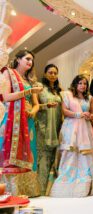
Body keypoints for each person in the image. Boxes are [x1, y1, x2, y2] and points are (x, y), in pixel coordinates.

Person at [50, 74, 93, 197]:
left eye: (85, 84)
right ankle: (66, 182)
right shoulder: (68, 95)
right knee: (70, 153)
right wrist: (78, 115)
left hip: (85, 128)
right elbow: (65, 111)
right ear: (75, 84)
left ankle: (83, 185)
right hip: (71, 127)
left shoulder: (89, 97)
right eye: (80, 83)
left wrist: (89, 115)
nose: (83, 86)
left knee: (85, 155)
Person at [0, 50, 42, 197]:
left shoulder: (30, 81)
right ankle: (9, 190)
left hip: (28, 120)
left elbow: (36, 104)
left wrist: (34, 111)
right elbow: (5, 97)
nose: (30, 62)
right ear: (18, 59)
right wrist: (27, 92)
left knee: (29, 152)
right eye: (27, 59)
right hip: (12, 119)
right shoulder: (8, 74)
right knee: (8, 150)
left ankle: (26, 190)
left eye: (32, 60)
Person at [35, 64, 63, 196]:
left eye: (55, 73)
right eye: (50, 72)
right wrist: (45, 105)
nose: (52, 75)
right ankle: (39, 189)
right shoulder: (40, 88)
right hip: (43, 126)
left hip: (56, 126)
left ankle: (49, 190)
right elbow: (34, 106)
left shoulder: (58, 91)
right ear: (45, 74)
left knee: (53, 157)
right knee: (43, 157)